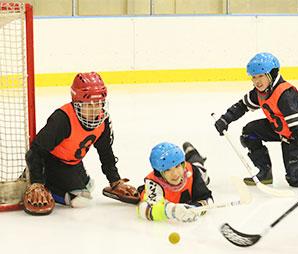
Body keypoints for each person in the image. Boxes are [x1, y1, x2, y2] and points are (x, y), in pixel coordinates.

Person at [214, 52, 298, 187]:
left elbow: (296, 118)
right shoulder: (259, 92)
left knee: (296, 180)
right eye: (254, 77)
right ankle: (265, 173)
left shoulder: (285, 93)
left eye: (261, 76)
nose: (257, 81)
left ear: (272, 74)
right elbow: (242, 106)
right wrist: (225, 119)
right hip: (280, 129)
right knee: (250, 133)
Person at [23, 72, 139, 215]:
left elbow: (106, 152)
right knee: (79, 200)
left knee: (89, 186)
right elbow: (36, 151)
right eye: (88, 105)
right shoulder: (62, 119)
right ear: (76, 102)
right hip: (51, 163)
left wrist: (115, 181)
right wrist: (37, 182)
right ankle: (43, 184)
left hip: (73, 163)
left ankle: (54, 185)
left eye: (98, 104)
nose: (95, 110)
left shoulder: (103, 121)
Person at [137, 142, 212, 223]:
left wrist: (195, 208)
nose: (175, 174)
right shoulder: (153, 183)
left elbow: (208, 200)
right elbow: (145, 210)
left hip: (194, 170)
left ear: (183, 165)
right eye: (167, 170)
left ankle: (191, 151)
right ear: (159, 173)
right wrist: (173, 211)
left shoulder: (192, 171)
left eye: (177, 166)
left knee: (199, 166)